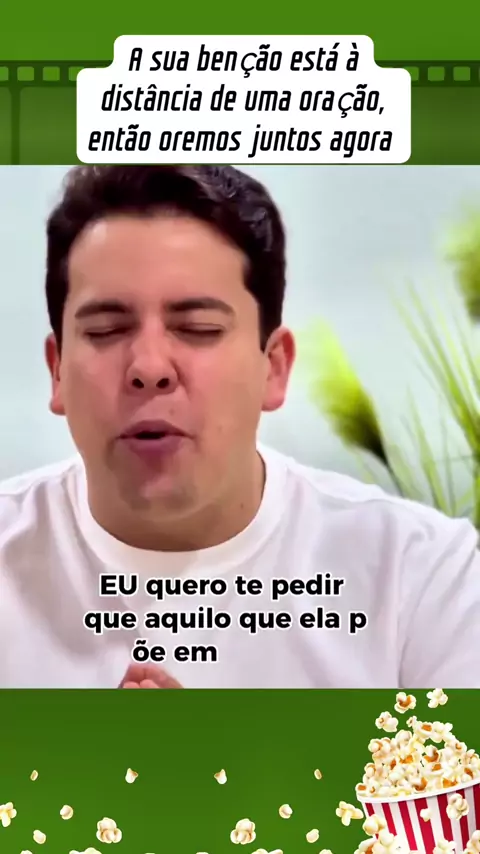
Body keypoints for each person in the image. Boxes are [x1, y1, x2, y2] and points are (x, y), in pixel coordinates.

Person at [1, 164, 479, 690]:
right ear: (57, 372)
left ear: (273, 368)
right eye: (107, 329)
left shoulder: (421, 576)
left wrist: (217, 747)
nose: (149, 367)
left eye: (198, 328)